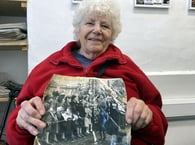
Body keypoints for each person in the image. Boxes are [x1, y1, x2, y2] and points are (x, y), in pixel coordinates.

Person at [6, 0, 168, 145]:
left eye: (104, 26)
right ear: (78, 29)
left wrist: (148, 116)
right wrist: (21, 121)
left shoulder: (127, 67)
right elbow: (16, 134)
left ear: (112, 34)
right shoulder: (47, 68)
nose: (97, 30)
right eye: (90, 23)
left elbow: (159, 127)